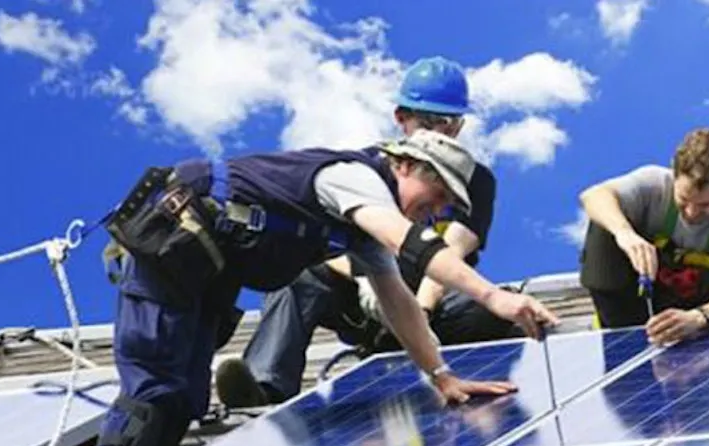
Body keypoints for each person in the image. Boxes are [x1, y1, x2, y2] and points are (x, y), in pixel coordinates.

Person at [89, 127, 559, 446]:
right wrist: (495, 297)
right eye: (435, 199)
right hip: (169, 251)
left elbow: (397, 300)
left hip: (202, 277)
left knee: (185, 401)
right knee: (156, 396)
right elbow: (406, 240)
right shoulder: (353, 179)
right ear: (405, 165)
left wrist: (441, 375)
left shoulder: (361, 231)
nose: (433, 214)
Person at [215, 56, 518, 408]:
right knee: (299, 277)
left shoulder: (472, 180)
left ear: (459, 126)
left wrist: (420, 310)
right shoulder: (370, 168)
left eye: (446, 122)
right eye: (427, 121)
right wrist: (365, 280)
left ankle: (447, 366)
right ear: (401, 119)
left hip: (432, 303)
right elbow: (337, 240)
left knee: (494, 308)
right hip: (367, 297)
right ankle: (264, 388)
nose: (438, 131)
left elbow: (452, 250)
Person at [578, 127, 709, 346]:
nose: (691, 213)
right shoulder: (653, 184)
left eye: (705, 205)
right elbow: (593, 195)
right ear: (674, 173)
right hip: (635, 309)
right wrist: (625, 234)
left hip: (695, 321)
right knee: (604, 223)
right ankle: (621, 336)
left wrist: (699, 318)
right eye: (684, 199)